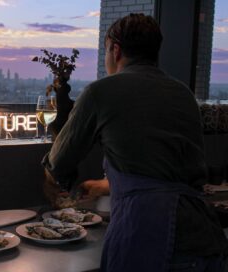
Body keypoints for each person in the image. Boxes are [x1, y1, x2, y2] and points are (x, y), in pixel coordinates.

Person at [42, 13, 228, 272]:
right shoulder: (183, 94)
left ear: (115, 50)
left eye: (106, 51)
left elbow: (59, 163)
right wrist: (108, 185)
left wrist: (52, 184)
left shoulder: (101, 91)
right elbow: (171, 171)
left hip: (147, 232)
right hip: (202, 234)